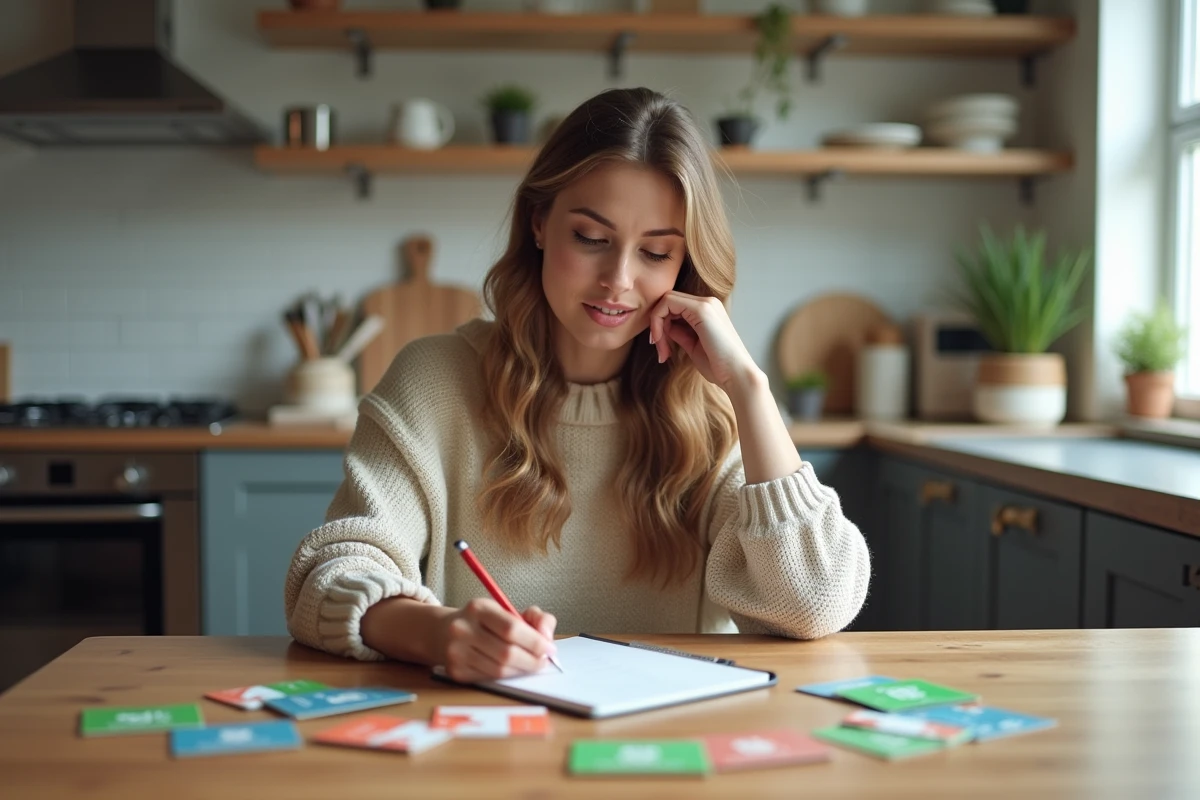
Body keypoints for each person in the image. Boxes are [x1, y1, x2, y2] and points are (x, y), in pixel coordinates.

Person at [285, 87, 871, 683]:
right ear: (540, 223)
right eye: (591, 239)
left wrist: (747, 387)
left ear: (684, 264)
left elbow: (814, 604)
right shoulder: (434, 381)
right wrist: (437, 631)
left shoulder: (716, 408)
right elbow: (326, 574)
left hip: (673, 748)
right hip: (482, 746)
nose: (618, 280)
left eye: (656, 252)